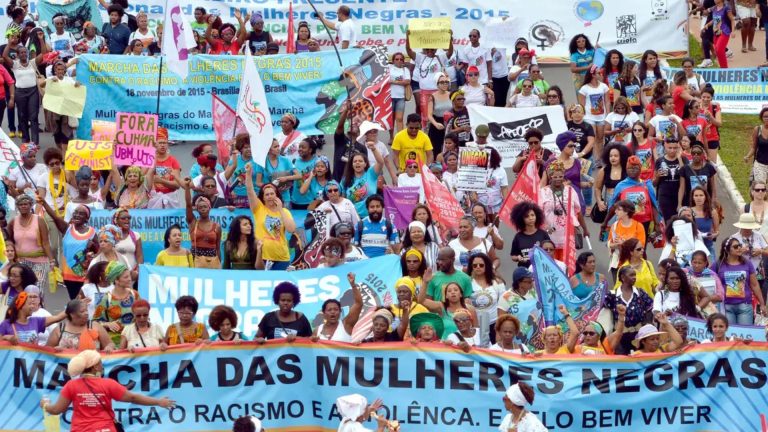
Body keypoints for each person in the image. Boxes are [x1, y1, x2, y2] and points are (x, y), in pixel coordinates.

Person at [43, 350, 175, 429]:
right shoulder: (108, 384)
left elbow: (56, 410)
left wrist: (45, 405)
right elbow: (133, 398)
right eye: (99, 362)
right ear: (94, 367)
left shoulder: (71, 386)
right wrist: (158, 402)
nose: (101, 365)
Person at [37, 196, 97, 300]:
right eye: (75, 212)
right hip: (68, 275)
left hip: (86, 276)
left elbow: (98, 251)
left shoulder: (92, 232)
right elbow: (55, 217)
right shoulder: (67, 229)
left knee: (83, 302)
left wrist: (92, 247)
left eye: (81, 213)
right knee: (74, 301)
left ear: (87, 218)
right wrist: (44, 203)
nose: (77, 215)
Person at [245, 165, 296, 270]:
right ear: (263, 198)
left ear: (276, 195)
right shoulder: (258, 209)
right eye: (267, 194)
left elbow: (291, 229)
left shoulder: (285, 211)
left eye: (272, 193)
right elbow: (250, 191)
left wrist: (281, 209)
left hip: (282, 257)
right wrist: (248, 174)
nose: (270, 196)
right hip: (263, 256)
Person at [539, 160, 589, 260]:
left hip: (568, 232)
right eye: (555, 176)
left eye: (560, 176)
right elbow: (539, 214)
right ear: (550, 176)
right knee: (552, 261)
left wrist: (585, 229)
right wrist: (545, 227)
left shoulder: (570, 190)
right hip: (550, 233)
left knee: (568, 262)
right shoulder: (543, 192)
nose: (558, 179)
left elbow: (577, 212)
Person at [604, 156, 661, 241]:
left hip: (644, 223)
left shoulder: (646, 185)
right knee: (625, 249)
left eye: (635, 168)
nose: (632, 170)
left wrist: (657, 224)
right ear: (626, 169)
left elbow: (653, 205)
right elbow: (613, 206)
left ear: (640, 169)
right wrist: (605, 222)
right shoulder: (621, 186)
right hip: (625, 223)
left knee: (640, 250)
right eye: (630, 168)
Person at [8, 195, 54, 290]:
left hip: (39, 261)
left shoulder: (39, 220)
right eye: (21, 204)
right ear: (17, 206)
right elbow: (9, 241)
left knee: (37, 289)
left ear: (31, 205)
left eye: (26, 204)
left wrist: (51, 261)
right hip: (20, 262)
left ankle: (39, 304)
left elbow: (46, 242)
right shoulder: (13, 221)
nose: (23, 206)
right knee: (22, 289)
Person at [604, 266, 654, 354]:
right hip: (620, 336)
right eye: (631, 275)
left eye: (635, 275)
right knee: (622, 360)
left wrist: (648, 325)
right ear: (623, 277)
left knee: (639, 358)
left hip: (639, 335)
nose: (634, 277)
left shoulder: (640, 293)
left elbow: (650, 308)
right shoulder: (612, 295)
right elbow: (605, 312)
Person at [93, 262, 138, 345]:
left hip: (134, 339)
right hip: (115, 342)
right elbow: (95, 322)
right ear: (116, 280)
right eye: (126, 277)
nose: (130, 279)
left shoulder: (135, 295)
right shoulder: (105, 299)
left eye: (129, 276)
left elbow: (143, 313)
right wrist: (107, 324)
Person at [47, 299, 114, 351]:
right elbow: (47, 352)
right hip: (66, 367)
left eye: (86, 310)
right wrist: (55, 350)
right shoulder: (59, 329)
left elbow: (110, 344)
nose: (86, 313)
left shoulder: (95, 326)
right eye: (82, 311)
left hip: (93, 366)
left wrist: (109, 347)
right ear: (72, 314)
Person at [312, 273, 363, 342]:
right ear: (324, 313)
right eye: (329, 310)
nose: (333, 312)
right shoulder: (317, 330)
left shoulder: (346, 325)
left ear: (340, 312)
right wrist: (313, 341)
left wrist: (353, 285)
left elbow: (358, 304)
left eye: (336, 309)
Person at [466, 252, 504, 343]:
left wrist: (500, 325)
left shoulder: (497, 283)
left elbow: (503, 305)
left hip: (494, 324)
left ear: (487, 266)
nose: (478, 267)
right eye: (475, 265)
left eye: (481, 265)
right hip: (475, 326)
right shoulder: (467, 283)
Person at [0, 291, 64, 344]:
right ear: (21, 306)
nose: (32, 307)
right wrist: (6, 338)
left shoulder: (36, 321)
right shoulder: (6, 324)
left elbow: (58, 317)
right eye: (29, 304)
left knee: (57, 330)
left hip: (33, 358)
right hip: (14, 358)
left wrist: (72, 305)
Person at [541, 131, 583, 210]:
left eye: (574, 145)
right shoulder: (550, 162)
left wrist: (590, 183)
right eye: (570, 146)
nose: (573, 148)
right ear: (562, 146)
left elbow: (582, 183)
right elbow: (542, 184)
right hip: (555, 201)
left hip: (575, 200)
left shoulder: (578, 162)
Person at [342, 145, 385, 218]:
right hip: (353, 217)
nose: (357, 163)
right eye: (355, 161)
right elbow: (342, 200)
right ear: (352, 165)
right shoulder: (345, 180)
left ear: (365, 164)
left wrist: (374, 149)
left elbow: (380, 162)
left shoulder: (371, 173)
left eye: (360, 161)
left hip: (371, 216)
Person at [607, 200, 646, 277]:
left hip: (634, 265)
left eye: (618, 209)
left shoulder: (638, 226)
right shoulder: (615, 226)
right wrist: (616, 245)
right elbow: (609, 244)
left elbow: (641, 247)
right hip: (617, 264)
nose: (615, 212)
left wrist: (624, 243)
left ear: (626, 212)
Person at [578, 65, 610, 157]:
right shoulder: (584, 88)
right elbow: (581, 105)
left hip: (601, 116)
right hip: (589, 117)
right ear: (593, 75)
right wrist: (582, 117)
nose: (601, 75)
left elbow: (607, 101)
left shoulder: (604, 86)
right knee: (592, 138)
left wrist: (607, 114)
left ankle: (599, 158)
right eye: (599, 73)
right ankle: (593, 158)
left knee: (600, 138)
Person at [509, 202, 550, 268]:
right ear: (521, 219)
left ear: (537, 215)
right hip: (525, 272)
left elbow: (550, 251)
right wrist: (518, 258)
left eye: (532, 215)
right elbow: (513, 255)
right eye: (526, 216)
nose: (531, 218)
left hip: (542, 269)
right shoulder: (518, 237)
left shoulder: (543, 234)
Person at [594, 144, 629, 220]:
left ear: (622, 156)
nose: (613, 158)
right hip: (609, 202)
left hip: (624, 201)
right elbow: (597, 188)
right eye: (611, 156)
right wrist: (599, 202)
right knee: (609, 226)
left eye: (616, 156)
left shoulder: (627, 170)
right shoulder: (604, 170)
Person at [426, 73, 452, 153]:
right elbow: (429, 115)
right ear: (437, 84)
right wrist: (435, 124)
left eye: (446, 82)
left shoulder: (451, 95)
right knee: (436, 148)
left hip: (449, 123)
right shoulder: (432, 97)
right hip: (437, 123)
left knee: (449, 147)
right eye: (442, 82)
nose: (445, 84)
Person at [706, 0, 735, 68]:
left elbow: (732, 19)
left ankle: (724, 69)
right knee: (718, 51)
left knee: (719, 50)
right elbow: (715, 19)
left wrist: (733, 31)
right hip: (716, 32)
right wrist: (708, 24)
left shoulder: (726, 8)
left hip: (724, 32)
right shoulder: (714, 8)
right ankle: (722, 68)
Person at [389, 52, 412, 135]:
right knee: (391, 119)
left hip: (400, 97)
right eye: (397, 59)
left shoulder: (405, 70)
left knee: (399, 118)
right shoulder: (389, 68)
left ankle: (400, 138)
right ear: (393, 60)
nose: (399, 61)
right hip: (389, 97)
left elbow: (407, 81)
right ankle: (391, 137)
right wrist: (400, 82)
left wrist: (392, 81)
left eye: (401, 59)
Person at [701, 85, 722, 162]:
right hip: (700, 138)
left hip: (712, 138)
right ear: (701, 96)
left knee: (712, 165)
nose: (705, 99)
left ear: (712, 97)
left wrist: (711, 117)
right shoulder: (696, 106)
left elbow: (719, 123)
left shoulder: (715, 106)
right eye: (703, 97)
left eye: (708, 97)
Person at [747, 107, 768, 183]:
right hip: (760, 164)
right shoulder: (758, 129)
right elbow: (754, 147)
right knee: (761, 189)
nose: (767, 118)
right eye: (765, 116)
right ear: (761, 118)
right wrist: (747, 156)